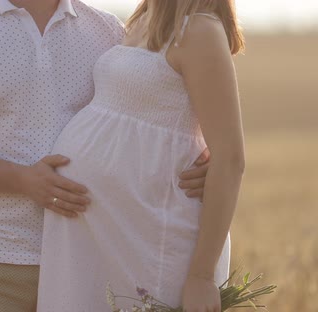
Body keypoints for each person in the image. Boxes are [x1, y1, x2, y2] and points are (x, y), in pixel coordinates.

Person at [0, 0, 211, 311]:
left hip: (92, 255)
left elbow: (145, 125)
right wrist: (23, 180)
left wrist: (196, 159)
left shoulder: (108, 31)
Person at [37, 0, 245, 311]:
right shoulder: (143, 19)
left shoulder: (200, 30)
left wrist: (201, 277)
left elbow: (230, 159)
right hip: (107, 238)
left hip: (151, 239)